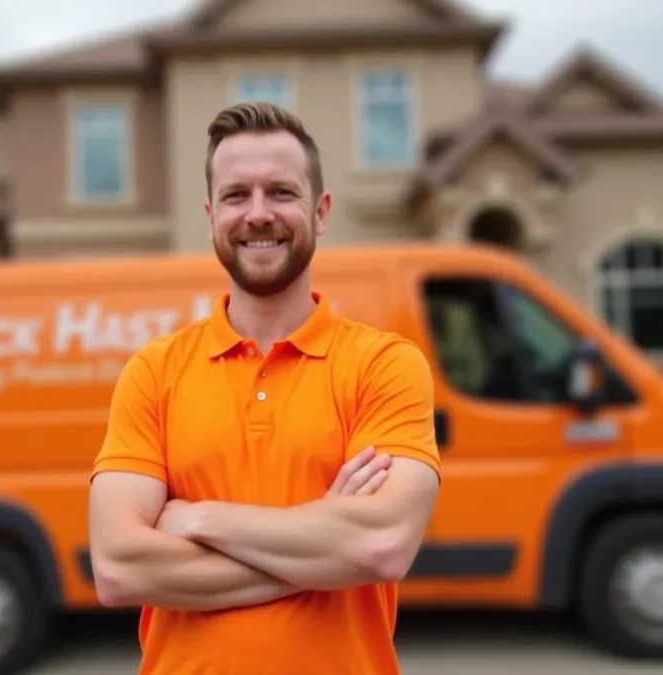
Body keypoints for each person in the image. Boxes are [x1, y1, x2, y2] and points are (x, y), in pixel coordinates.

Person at [87, 101, 442, 675]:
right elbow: (119, 568)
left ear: (320, 210)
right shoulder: (153, 372)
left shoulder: (384, 365)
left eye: (281, 191)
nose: (257, 214)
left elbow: (381, 546)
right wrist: (323, 540)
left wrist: (199, 520)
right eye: (235, 195)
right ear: (210, 216)